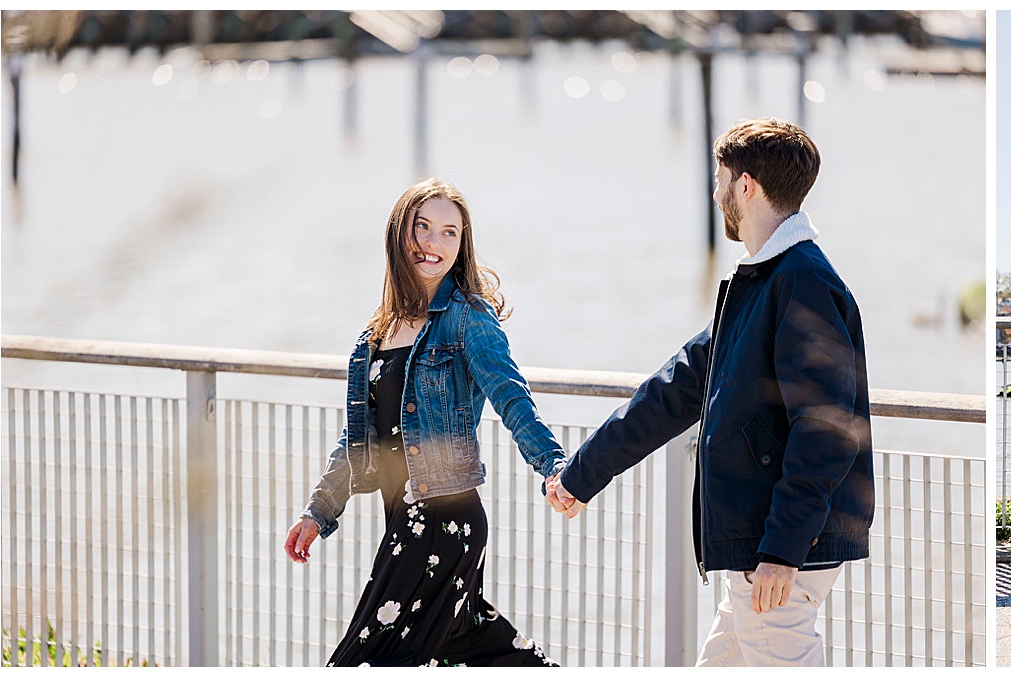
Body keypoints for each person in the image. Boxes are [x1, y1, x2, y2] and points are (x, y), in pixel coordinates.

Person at [545, 118, 873, 667]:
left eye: (720, 179)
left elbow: (828, 431)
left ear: (746, 186)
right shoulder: (763, 282)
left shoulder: (802, 282)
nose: (716, 192)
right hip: (760, 547)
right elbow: (673, 392)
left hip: (777, 552)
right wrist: (581, 475)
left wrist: (781, 551)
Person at [284, 178, 565, 666]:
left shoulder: (467, 318)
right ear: (400, 234)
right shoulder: (376, 333)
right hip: (401, 517)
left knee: (367, 659)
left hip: (444, 519)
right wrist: (318, 513)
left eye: (449, 233)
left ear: (462, 245)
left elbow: (510, 394)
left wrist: (554, 465)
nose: (434, 243)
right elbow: (358, 441)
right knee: (467, 647)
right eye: (423, 228)